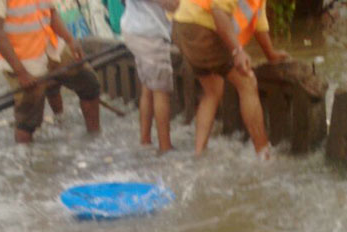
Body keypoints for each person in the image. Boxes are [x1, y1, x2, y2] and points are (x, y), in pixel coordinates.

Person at [171, 0, 288, 157]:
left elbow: (259, 22)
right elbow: (219, 14)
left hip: (183, 25)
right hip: (201, 28)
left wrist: (270, 54)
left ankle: (199, 154)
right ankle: (263, 153)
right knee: (247, 82)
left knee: (212, 91)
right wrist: (237, 51)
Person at [0, 0, 101, 144]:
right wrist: (21, 72)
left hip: (51, 47)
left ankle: (95, 137)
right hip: (23, 60)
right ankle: (27, 157)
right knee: (28, 116)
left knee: (88, 82)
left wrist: (69, 39)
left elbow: (51, 12)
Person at [121, 0, 179, 153]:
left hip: (134, 29)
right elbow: (171, 4)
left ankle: (145, 140)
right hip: (149, 34)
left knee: (148, 87)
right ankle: (165, 146)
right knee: (161, 90)